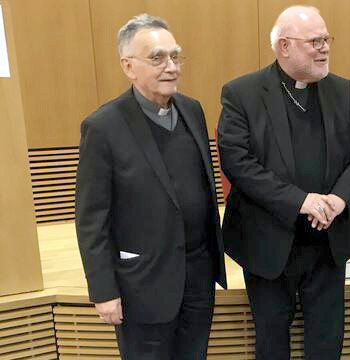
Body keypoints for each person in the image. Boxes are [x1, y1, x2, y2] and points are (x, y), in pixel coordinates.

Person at [217, 5, 350, 360]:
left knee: (327, 341)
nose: (325, 48)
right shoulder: (242, 93)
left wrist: (338, 199)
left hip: (327, 242)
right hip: (268, 243)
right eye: (315, 41)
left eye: (326, 39)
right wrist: (299, 201)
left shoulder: (341, 89)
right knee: (272, 342)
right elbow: (238, 163)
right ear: (284, 46)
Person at [75, 13, 226, 360]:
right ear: (129, 67)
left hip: (198, 277)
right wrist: (103, 290)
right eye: (157, 58)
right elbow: (91, 218)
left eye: (175, 56)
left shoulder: (192, 110)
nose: (171, 66)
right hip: (142, 283)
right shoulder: (103, 127)